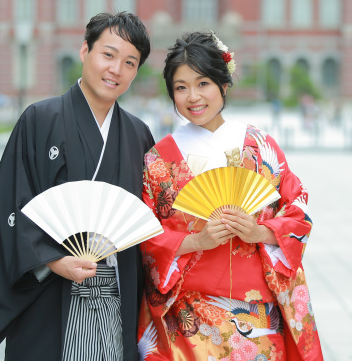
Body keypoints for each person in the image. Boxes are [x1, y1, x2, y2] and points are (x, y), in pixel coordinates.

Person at [136, 32, 323, 360]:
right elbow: (146, 237)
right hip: (189, 322)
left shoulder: (259, 146)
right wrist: (196, 241)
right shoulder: (159, 159)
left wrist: (259, 232)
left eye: (203, 83)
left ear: (224, 84)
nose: (193, 96)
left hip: (258, 319)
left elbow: (298, 212)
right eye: (181, 87)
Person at [0, 12, 155, 361]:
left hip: (115, 301)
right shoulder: (39, 120)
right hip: (50, 296)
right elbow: (10, 204)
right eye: (108, 54)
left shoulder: (138, 135)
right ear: (84, 51)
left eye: (129, 63)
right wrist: (53, 260)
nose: (116, 70)